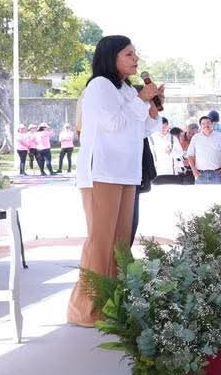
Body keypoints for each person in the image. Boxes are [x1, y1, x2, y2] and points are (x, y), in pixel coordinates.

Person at [69, 35, 162, 326]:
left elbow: (140, 129)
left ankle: (114, 304)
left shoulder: (125, 89)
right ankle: (85, 311)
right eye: (128, 54)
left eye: (136, 54)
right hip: (102, 172)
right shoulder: (100, 86)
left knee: (120, 244)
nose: (136, 59)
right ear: (112, 57)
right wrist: (140, 100)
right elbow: (112, 124)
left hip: (126, 172)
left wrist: (153, 110)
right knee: (101, 241)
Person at [187, 116, 221, 184]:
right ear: (200, 126)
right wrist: (193, 170)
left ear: (212, 124)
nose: (206, 125)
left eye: (208, 123)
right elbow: (190, 155)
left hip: (218, 174)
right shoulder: (195, 138)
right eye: (203, 124)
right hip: (200, 174)